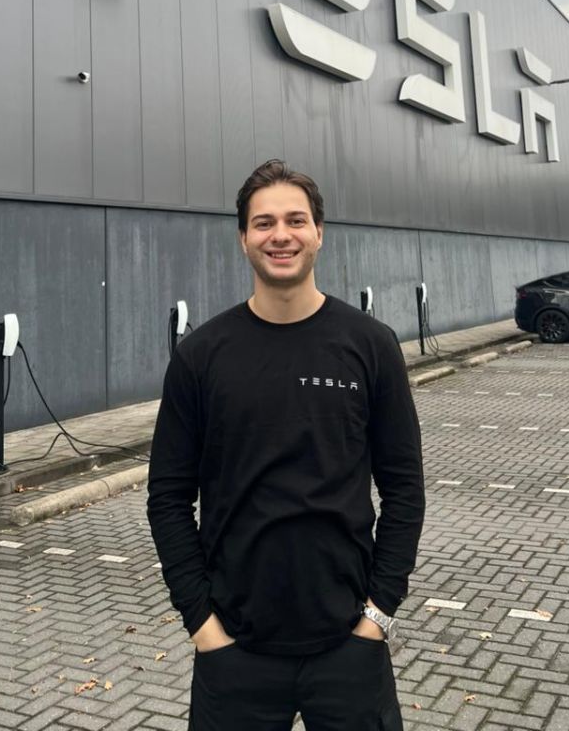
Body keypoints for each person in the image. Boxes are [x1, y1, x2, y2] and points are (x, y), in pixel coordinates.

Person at [147, 160, 426, 730]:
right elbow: (168, 498)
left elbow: (404, 490)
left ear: (319, 232)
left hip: (350, 649)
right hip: (234, 651)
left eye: (296, 220)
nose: (281, 235)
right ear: (243, 238)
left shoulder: (371, 346)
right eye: (264, 222)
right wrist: (202, 625)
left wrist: (377, 617)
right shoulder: (201, 356)